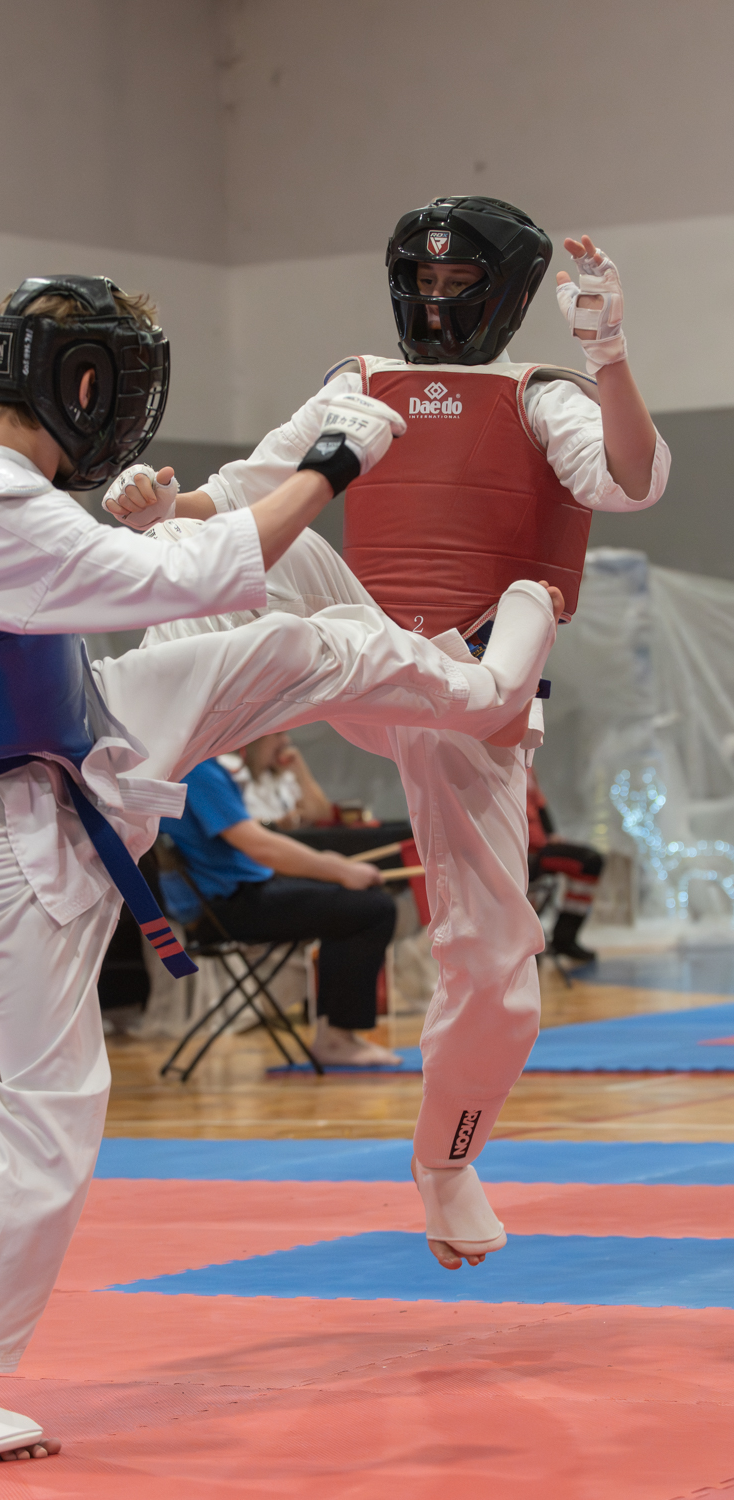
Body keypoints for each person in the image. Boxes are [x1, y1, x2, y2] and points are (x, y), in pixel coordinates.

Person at [0, 274, 561, 1462]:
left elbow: (122, 563)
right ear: (83, 386)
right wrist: (329, 464)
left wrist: (153, 513)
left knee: (294, 645)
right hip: (17, 823)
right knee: (50, 1108)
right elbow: (186, 575)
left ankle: (480, 690)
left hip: (77, 735)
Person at [104, 197, 669, 1274]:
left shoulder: (543, 394)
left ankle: (446, 1162)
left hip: (473, 703)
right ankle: (124, 786)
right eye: (423, 282)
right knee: (223, 556)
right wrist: (156, 508)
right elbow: (242, 496)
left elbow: (631, 481)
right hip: (369, 642)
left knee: (497, 966)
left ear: (505, 294)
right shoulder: (359, 381)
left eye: (460, 286)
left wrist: (607, 355)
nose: (436, 304)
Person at [163, 755, 396, 1066]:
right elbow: (259, 847)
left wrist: (335, 869)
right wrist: (338, 869)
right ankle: (336, 1040)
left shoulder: (191, 766)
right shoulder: (198, 769)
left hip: (225, 901)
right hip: (225, 907)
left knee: (356, 906)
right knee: (372, 909)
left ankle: (337, 1035)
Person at [527, 766, 603, 963]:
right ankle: (556, 940)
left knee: (591, 862)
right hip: (523, 851)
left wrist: (552, 834)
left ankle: (565, 937)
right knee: (589, 863)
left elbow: (540, 804)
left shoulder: (527, 766)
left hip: (541, 848)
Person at [223, 732, 333, 829]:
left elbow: (321, 815)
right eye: (278, 734)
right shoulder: (227, 769)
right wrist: (276, 824)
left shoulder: (278, 774)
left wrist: (300, 769)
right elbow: (227, 821)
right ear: (256, 737)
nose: (286, 740)